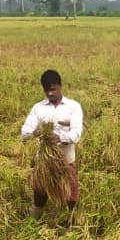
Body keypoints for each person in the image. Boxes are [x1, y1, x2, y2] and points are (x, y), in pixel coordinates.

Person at [20, 69, 83, 218]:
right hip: (44, 161)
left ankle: (72, 221)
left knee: (70, 193)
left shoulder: (73, 107)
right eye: (47, 90)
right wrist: (35, 133)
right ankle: (34, 220)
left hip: (65, 159)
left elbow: (77, 133)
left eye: (53, 90)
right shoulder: (38, 108)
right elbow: (25, 131)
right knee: (39, 192)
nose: (50, 94)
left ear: (60, 86)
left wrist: (60, 138)